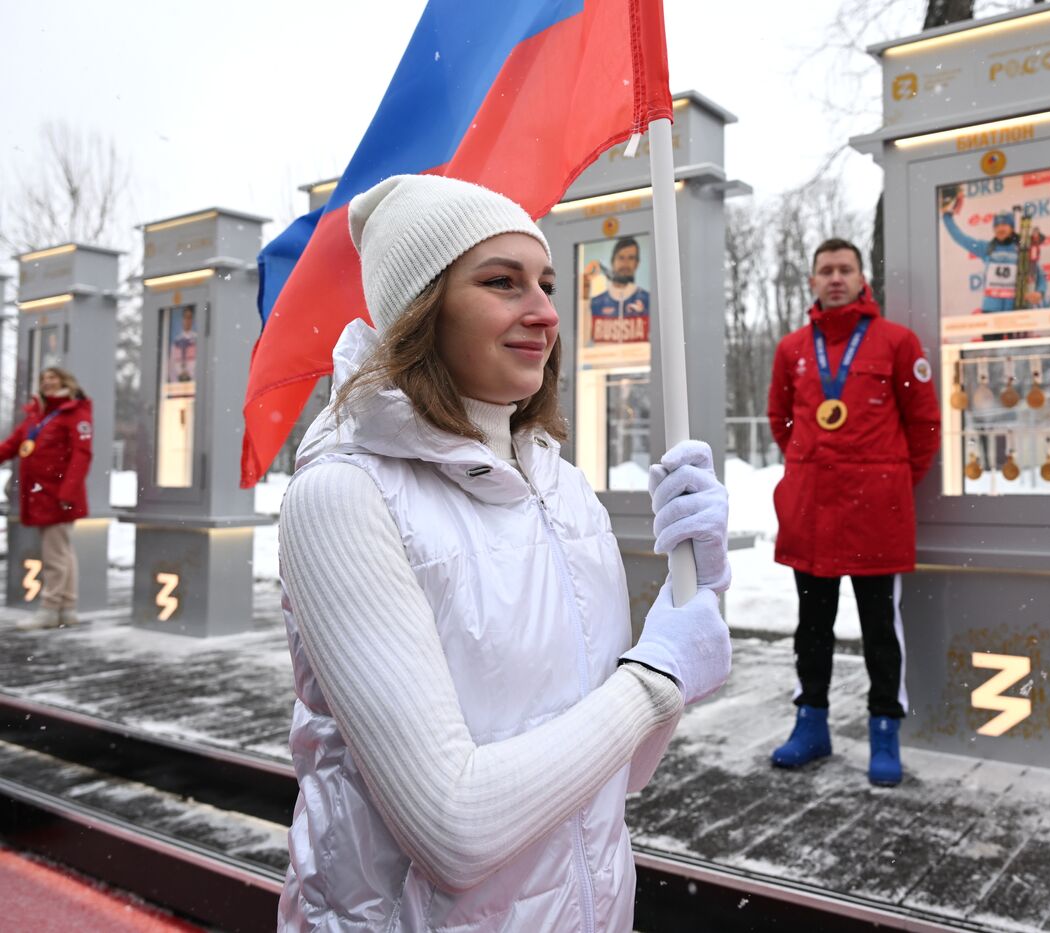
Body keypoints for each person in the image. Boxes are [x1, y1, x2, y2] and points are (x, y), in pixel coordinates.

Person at [276, 174, 732, 932]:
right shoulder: (343, 497)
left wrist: (698, 587)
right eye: (502, 282)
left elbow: (620, 773)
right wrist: (655, 678)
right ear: (421, 309)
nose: (547, 312)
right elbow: (455, 827)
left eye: (548, 284)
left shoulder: (562, 488)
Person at [766, 238, 939, 787]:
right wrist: (809, 466)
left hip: (875, 515)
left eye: (845, 269)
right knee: (810, 629)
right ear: (812, 281)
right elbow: (780, 421)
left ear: (863, 279)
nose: (835, 278)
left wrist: (887, 477)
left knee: (879, 632)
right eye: (826, 270)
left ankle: (884, 731)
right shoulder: (793, 348)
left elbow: (925, 425)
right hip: (811, 511)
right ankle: (810, 725)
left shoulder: (895, 341)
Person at [0, 367, 94, 630]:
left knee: (55, 555)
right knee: (62, 552)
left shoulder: (75, 413)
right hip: (42, 495)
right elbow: (11, 445)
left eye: (53, 378)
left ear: (66, 381)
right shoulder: (36, 416)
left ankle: (50, 609)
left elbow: (81, 455)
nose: (47, 383)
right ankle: (67, 608)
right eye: (44, 379)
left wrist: (67, 492)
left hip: (58, 495)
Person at [940, 199, 1045, 312]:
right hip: (991, 311)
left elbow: (1039, 275)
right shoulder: (986, 248)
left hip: (1017, 310)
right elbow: (960, 237)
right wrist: (947, 215)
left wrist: (1039, 292)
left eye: (1004, 224)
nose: (1000, 228)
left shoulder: (1022, 249)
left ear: (1012, 228)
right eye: (997, 225)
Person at [585, 236, 650, 343]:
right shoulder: (595, 303)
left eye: (631, 258)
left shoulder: (649, 301)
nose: (625, 263)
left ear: (637, 263)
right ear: (612, 262)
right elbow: (582, 341)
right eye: (621, 257)